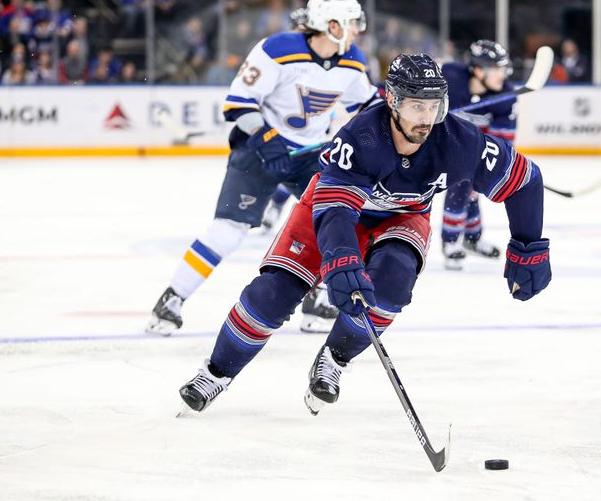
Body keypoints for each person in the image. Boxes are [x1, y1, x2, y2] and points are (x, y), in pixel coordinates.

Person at [176, 53, 552, 416]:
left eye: (434, 105)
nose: (427, 118)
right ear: (392, 101)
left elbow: (525, 180)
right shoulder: (361, 138)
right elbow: (337, 210)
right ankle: (216, 372)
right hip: (330, 210)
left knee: (393, 283)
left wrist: (528, 246)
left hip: (403, 216)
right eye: (416, 106)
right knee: (272, 294)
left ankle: (335, 358)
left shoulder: (460, 142)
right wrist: (340, 259)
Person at [145, 0, 380, 336]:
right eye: (352, 23)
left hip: (310, 154)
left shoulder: (352, 59)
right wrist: (267, 139)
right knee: (228, 231)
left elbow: (368, 104)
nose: (358, 30)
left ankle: (317, 298)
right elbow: (238, 104)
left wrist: (402, 110)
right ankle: (172, 298)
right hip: (259, 150)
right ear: (333, 26)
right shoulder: (278, 50)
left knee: (333, 224)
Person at [438, 39, 513, 270]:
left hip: (474, 151)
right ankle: (450, 242)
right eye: (497, 69)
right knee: (462, 182)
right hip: (438, 146)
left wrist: (489, 164)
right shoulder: (450, 77)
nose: (503, 75)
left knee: (473, 186)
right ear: (479, 70)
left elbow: (503, 141)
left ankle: (472, 237)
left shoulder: (506, 97)